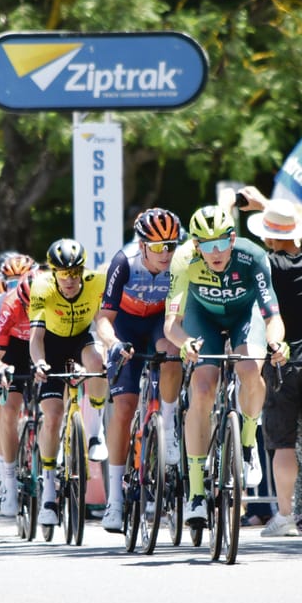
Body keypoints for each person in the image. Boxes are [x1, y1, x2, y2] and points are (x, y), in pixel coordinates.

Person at [164, 205, 289, 526]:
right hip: (201, 317)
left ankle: (247, 448)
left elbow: (272, 316)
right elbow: (171, 325)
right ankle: (194, 494)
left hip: (243, 316)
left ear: (233, 239)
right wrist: (185, 343)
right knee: (203, 388)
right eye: (206, 245)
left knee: (250, 368)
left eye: (221, 242)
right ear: (195, 245)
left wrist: (276, 343)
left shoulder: (253, 256)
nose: (215, 251)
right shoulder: (182, 260)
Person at [233, 191, 302, 538]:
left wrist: (261, 212)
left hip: (282, 361)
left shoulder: (268, 265)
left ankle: (285, 516)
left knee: (281, 443)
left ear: (268, 236)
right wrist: (267, 203)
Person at [93, 208, 184, 533]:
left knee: (172, 352)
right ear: (143, 245)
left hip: (161, 323)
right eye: (158, 247)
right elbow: (103, 318)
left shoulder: (180, 261)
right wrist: (113, 343)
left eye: (171, 245)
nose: (166, 253)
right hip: (127, 326)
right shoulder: (124, 261)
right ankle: (114, 500)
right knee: (124, 408)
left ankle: (170, 427)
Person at [28, 239, 108, 527]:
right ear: (53, 273)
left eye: (75, 273)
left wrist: (108, 345)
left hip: (81, 339)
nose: (70, 280)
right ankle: (49, 492)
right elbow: (35, 339)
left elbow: (102, 322)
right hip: (51, 345)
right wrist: (39, 363)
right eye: (63, 274)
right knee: (52, 415)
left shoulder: (96, 281)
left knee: (98, 364)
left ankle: (96, 433)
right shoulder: (41, 286)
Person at [0, 271, 37, 518]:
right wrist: (1, 371)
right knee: (10, 407)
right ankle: (9, 479)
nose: (29, 311)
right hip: (13, 349)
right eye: (27, 306)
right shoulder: (5, 305)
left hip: (42, 342)